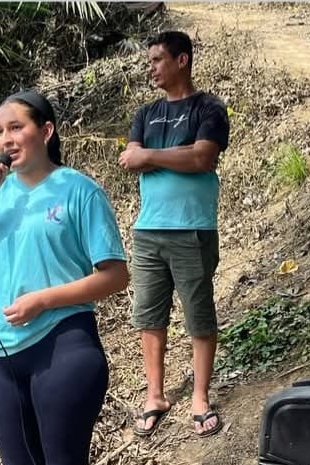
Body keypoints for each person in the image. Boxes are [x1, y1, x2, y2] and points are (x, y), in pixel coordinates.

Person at [0, 90, 129, 465]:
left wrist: (44, 300)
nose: (5, 139)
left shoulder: (79, 190)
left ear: (46, 131)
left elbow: (115, 276)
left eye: (16, 127)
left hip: (62, 346)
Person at [118, 31, 230, 438]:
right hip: (148, 230)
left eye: (157, 60)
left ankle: (200, 397)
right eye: (149, 60)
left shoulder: (209, 108)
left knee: (198, 313)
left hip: (193, 229)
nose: (150, 68)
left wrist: (151, 155)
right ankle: (155, 396)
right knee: (149, 316)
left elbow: (203, 157)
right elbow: (130, 160)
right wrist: (169, 155)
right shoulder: (146, 113)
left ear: (182, 60)